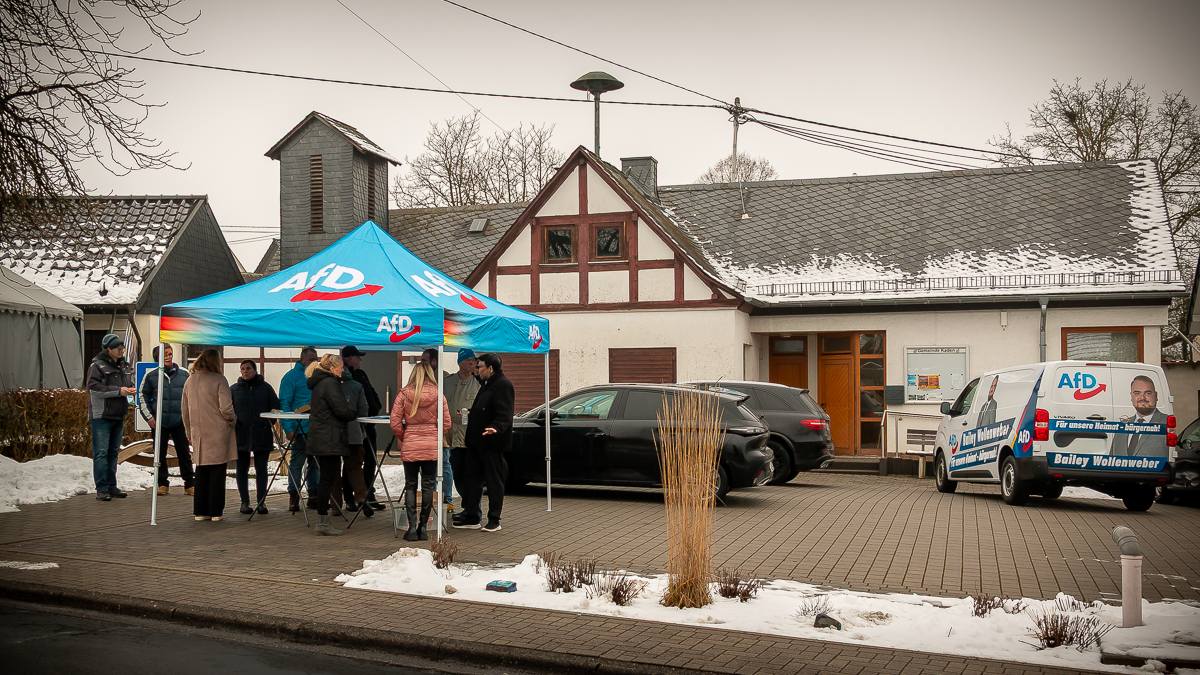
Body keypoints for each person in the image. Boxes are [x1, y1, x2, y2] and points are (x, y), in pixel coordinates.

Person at [390, 360, 451, 541]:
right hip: (431, 445)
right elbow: (446, 423)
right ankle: (423, 528)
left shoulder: (404, 394)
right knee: (428, 485)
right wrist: (434, 435)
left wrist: (404, 436)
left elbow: (394, 422)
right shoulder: (439, 395)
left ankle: (411, 528)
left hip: (411, 444)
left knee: (410, 485)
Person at [453, 353, 514, 533]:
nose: (476, 370)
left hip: (492, 444)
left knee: (494, 481)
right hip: (475, 442)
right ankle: (472, 515)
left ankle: (494, 519)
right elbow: (482, 407)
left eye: (479, 367)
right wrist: (470, 413)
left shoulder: (503, 385)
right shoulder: (486, 384)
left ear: (491, 368)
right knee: (471, 479)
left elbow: (505, 413)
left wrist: (496, 427)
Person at [305, 353, 358, 536]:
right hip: (330, 438)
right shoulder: (330, 384)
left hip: (322, 437)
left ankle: (323, 520)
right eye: (340, 366)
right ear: (333, 367)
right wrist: (352, 410)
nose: (342, 369)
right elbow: (341, 410)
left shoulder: (320, 383)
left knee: (326, 478)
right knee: (327, 479)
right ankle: (322, 521)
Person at [181, 349, 237, 522]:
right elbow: (226, 408)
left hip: (198, 432)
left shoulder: (189, 381)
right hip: (217, 432)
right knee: (217, 472)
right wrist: (233, 420)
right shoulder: (219, 380)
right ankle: (215, 511)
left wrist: (189, 431)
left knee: (201, 472)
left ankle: (200, 510)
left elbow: (184, 410)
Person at [139, 345, 195, 497]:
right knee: (159, 454)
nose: (169, 357)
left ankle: (190, 484)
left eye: (170, 354)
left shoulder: (184, 374)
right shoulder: (150, 376)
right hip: (159, 423)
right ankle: (162, 484)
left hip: (179, 421)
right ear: (157, 358)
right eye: (165, 355)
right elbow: (141, 395)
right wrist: (149, 417)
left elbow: (193, 395)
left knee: (184, 453)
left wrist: (189, 417)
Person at [86, 333, 135, 501]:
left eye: (122, 347)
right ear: (108, 349)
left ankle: (112, 486)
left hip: (118, 414)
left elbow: (129, 384)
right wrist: (119, 391)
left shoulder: (125, 366)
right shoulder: (97, 366)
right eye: (117, 348)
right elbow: (94, 389)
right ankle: (102, 488)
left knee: (113, 452)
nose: (121, 350)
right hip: (102, 416)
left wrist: (131, 392)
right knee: (101, 452)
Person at [230, 360, 280, 515]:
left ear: (255, 370)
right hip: (241, 434)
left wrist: (268, 422)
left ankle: (261, 502)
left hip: (261, 433)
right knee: (242, 469)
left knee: (261, 469)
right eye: (242, 369)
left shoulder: (265, 388)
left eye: (248, 368)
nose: (245, 371)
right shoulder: (234, 389)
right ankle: (244, 501)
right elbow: (228, 410)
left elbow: (275, 407)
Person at [341, 345, 384, 511]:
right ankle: (349, 497)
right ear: (347, 358)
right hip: (353, 427)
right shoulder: (344, 377)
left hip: (369, 424)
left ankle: (368, 493)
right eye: (356, 356)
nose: (360, 359)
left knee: (370, 461)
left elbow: (372, 394)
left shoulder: (361, 374)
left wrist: (376, 407)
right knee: (352, 462)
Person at [280, 346, 320, 512]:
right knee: (297, 462)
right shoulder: (291, 377)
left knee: (315, 464)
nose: (314, 362)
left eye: (315, 359)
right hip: (298, 428)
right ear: (302, 359)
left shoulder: (318, 376)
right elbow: (284, 404)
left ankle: (313, 495)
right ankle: (294, 495)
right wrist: (288, 428)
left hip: (317, 427)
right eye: (311, 359)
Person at [444, 349, 480, 513]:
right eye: (468, 360)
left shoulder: (479, 383)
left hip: (469, 437)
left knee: (471, 475)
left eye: (474, 360)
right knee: (456, 472)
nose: (472, 363)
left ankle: (472, 509)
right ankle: (467, 507)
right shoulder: (447, 382)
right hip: (450, 435)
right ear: (460, 362)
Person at [337, 363, 372, 519]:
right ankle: (361, 496)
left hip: (334, 434)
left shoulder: (329, 385)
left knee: (331, 470)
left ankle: (336, 504)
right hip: (354, 432)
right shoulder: (357, 386)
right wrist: (360, 428)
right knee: (355, 468)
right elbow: (364, 409)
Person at [1112, 375, 1169, 457]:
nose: (1142, 397)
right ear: (1131, 396)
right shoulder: (1122, 426)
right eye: (1137, 393)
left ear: (1156, 396)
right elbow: (1112, 459)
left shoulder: (1167, 422)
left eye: (1148, 393)